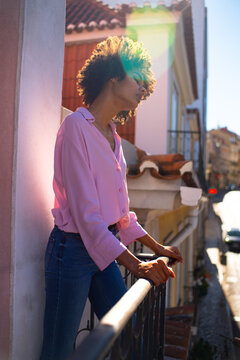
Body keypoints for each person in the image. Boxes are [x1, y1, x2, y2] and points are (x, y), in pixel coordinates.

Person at [40, 36, 182, 360]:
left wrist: (159, 250)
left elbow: (121, 217)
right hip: (72, 252)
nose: (142, 89)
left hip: (104, 249)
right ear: (113, 75)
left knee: (128, 335)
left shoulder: (114, 139)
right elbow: (89, 221)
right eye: (137, 79)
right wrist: (139, 266)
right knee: (58, 351)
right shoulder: (76, 128)